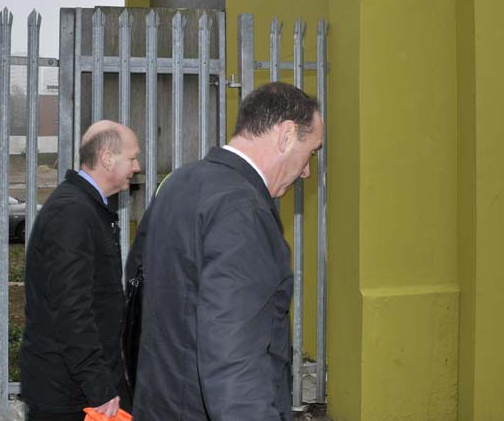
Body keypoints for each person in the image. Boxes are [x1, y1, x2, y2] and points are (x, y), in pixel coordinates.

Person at [126, 82, 323, 421]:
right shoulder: (243, 210)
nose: (306, 170)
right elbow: (235, 361)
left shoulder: (178, 182)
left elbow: (136, 290)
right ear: (287, 135)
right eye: (312, 151)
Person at [20, 120, 141, 421]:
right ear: (107, 158)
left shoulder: (86, 207)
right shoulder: (72, 213)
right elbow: (71, 310)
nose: (137, 167)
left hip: (79, 386)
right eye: (133, 157)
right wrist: (99, 387)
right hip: (70, 395)